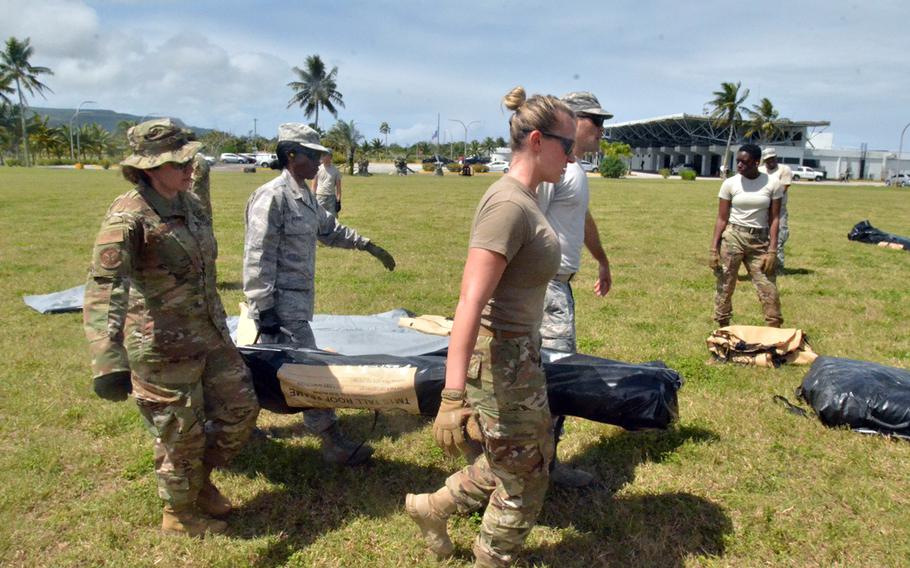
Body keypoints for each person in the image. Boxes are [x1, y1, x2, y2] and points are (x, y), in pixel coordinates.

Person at [406, 87, 574, 567]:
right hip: (502, 362)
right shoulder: (508, 206)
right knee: (527, 475)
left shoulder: (528, 196)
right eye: (569, 147)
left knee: (511, 458)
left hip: (518, 355)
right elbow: (469, 302)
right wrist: (452, 397)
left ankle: (431, 508)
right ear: (538, 141)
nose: (573, 158)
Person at [83, 119, 260, 537]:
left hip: (210, 335)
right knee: (180, 435)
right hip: (161, 347)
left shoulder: (189, 203)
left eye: (188, 157)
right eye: (177, 161)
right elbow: (105, 285)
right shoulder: (128, 216)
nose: (188, 166)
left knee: (241, 410)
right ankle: (179, 515)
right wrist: (106, 357)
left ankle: (196, 485)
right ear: (148, 167)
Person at [242, 123, 396, 465]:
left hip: (295, 304)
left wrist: (367, 245)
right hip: (278, 308)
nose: (319, 159)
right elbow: (257, 256)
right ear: (291, 154)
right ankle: (331, 441)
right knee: (310, 372)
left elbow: (328, 229)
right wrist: (264, 310)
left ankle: (234, 427)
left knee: (260, 370)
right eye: (312, 154)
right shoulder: (273, 196)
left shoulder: (304, 194)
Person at [536, 91, 613, 487]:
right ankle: (541, 467)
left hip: (557, 286)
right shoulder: (555, 168)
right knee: (556, 376)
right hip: (545, 288)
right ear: (572, 120)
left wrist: (601, 259)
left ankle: (538, 462)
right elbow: (526, 218)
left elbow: (582, 218)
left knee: (547, 376)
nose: (602, 130)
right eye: (596, 122)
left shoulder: (575, 170)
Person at [709, 144, 784, 328]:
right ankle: (723, 330)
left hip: (759, 240)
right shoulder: (730, 184)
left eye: (745, 162)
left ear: (756, 163)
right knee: (725, 286)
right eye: (738, 162)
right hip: (734, 236)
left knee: (768, 288)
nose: (740, 166)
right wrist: (714, 249)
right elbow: (721, 218)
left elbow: (775, 219)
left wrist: (772, 250)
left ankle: (774, 332)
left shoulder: (772, 184)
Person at [758, 148, 793, 272]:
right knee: (761, 238)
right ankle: (762, 266)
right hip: (762, 209)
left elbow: (783, 188)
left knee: (778, 237)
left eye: (772, 158)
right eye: (767, 159)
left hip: (778, 209)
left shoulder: (784, 169)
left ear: (776, 157)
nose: (770, 161)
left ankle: (778, 267)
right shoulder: (760, 170)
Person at [314, 151, 342, 215]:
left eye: (324, 155)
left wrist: (338, 201)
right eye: (322, 156)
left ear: (330, 157)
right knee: (319, 217)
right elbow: (314, 185)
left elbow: (338, 188)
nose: (322, 157)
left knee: (332, 219)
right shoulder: (317, 169)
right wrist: (313, 199)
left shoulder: (336, 171)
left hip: (331, 198)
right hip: (319, 197)